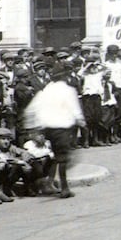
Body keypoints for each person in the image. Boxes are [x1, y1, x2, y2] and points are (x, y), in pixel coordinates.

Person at [23, 67, 85, 198]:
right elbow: (75, 108)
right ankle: (64, 188)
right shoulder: (68, 90)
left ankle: (48, 182)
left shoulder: (44, 92)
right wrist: (81, 120)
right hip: (62, 128)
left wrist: (32, 129)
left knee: (55, 156)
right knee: (63, 159)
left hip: (47, 129)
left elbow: (30, 111)